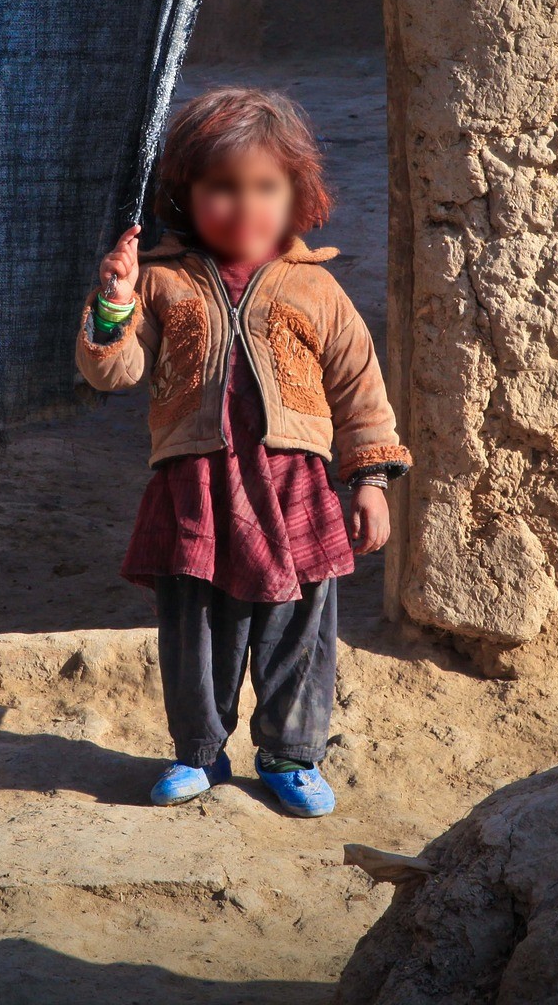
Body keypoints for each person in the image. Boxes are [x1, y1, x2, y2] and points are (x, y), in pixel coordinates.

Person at [75, 87, 411, 818]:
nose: (244, 205)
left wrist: (370, 480)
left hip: (295, 486)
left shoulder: (317, 289)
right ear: (185, 194)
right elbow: (116, 371)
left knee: (299, 632)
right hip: (195, 484)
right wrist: (115, 304)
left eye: (265, 187)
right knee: (196, 630)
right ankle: (197, 752)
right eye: (222, 188)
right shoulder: (162, 281)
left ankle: (291, 754)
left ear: (298, 194)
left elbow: (359, 388)